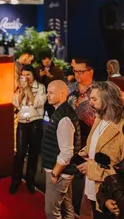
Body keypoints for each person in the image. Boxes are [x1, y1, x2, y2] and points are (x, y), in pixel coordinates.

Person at [77, 81, 124, 219]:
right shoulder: (99, 119)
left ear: (108, 100)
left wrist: (90, 167)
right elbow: (95, 142)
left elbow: (119, 169)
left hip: (109, 198)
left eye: (94, 99)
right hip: (91, 189)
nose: (90, 103)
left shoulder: (121, 129)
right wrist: (85, 151)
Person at [41, 80, 81, 219]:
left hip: (59, 172)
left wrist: (55, 173)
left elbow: (67, 151)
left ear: (62, 93)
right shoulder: (61, 112)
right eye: (47, 92)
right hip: (61, 171)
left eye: (51, 92)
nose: (48, 95)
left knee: (52, 212)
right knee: (66, 207)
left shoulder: (64, 117)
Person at [9, 65, 46, 195]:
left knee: (33, 154)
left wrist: (28, 90)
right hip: (22, 122)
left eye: (28, 75)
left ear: (33, 75)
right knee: (19, 153)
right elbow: (16, 104)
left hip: (35, 122)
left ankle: (30, 181)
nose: (26, 78)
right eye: (23, 75)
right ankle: (15, 180)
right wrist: (21, 91)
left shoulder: (40, 87)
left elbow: (38, 103)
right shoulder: (20, 87)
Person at [67, 59, 96, 148]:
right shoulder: (69, 88)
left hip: (90, 137)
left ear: (90, 72)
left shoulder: (99, 90)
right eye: (75, 71)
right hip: (69, 136)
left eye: (80, 71)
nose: (77, 74)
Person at [35, 51, 64, 118]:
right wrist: (40, 76)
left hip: (52, 97)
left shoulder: (57, 70)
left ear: (51, 60)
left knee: (53, 116)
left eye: (48, 62)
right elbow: (34, 83)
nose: (46, 63)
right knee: (39, 116)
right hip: (40, 97)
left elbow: (61, 83)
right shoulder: (37, 69)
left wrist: (51, 76)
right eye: (44, 62)